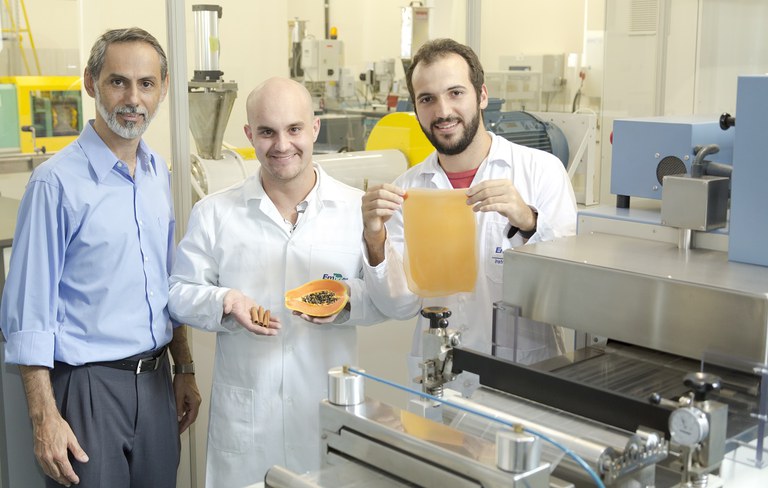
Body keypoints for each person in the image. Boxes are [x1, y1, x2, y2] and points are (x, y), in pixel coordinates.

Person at [0, 28, 201, 487]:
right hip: (88, 389)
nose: (133, 98)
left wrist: (184, 366)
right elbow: (28, 315)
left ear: (164, 89)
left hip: (156, 383)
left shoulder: (156, 174)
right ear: (92, 84)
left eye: (146, 84)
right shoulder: (56, 184)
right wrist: (44, 418)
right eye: (118, 82)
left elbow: (167, 281)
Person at [168, 77, 387, 487]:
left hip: (325, 419)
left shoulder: (355, 211)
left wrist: (346, 301)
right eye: (267, 132)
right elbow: (178, 295)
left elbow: (390, 301)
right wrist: (225, 301)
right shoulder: (216, 213)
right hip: (249, 427)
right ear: (250, 135)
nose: (282, 145)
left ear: (315, 129)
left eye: (294, 129)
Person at [362, 38, 578, 395]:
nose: (443, 111)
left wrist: (528, 221)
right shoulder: (407, 190)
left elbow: (566, 295)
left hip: (524, 376)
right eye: (427, 99)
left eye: (456, 93)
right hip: (440, 379)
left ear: (481, 96)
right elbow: (399, 306)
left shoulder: (541, 171)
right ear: (415, 107)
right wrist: (375, 239)